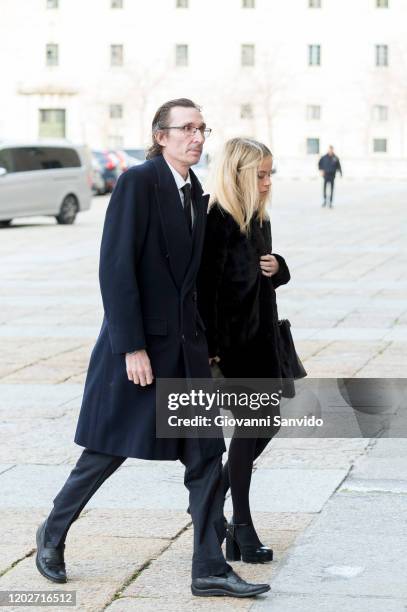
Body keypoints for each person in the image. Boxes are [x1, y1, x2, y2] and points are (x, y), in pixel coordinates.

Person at [35, 100, 270, 599]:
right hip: (141, 350)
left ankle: (208, 568)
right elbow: (115, 268)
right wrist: (132, 348)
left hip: (186, 352)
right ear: (160, 136)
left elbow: (196, 282)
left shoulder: (194, 192)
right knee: (107, 450)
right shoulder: (138, 182)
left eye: (202, 128)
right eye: (186, 129)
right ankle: (52, 532)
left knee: (207, 456)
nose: (197, 137)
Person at [198, 137, 290, 565]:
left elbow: (261, 280)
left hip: (263, 342)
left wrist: (279, 268)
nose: (269, 181)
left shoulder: (259, 219)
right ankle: (242, 525)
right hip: (233, 348)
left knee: (265, 425)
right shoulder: (216, 218)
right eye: (261, 174)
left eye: (270, 173)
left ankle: (212, 507)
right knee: (250, 429)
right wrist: (214, 349)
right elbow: (207, 290)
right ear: (238, 174)